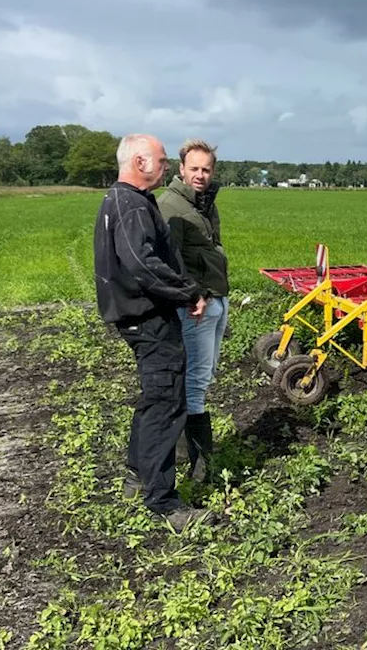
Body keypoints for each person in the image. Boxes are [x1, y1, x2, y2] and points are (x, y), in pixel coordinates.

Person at [92, 133, 209, 530]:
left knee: (154, 396)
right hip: (148, 317)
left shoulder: (124, 200)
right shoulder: (130, 205)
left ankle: (136, 475)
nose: (163, 167)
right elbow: (141, 265)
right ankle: (163, 502)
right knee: (166, 401)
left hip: (138, 315)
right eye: (160, 161)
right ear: (140, 163)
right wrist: (187, 292)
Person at [158, 138, 228, 484]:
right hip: (197, 304)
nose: (201, 174)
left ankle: (188, 453)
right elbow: (172, 260)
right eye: (195, 169)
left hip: (214, 298)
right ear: (181, 169)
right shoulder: (171, 205)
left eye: (206, 169)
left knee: (204, 374)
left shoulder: (203, 203)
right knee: (196, 381)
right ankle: (202, 466)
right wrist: (194, 295)